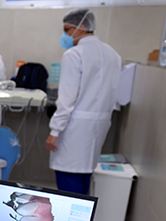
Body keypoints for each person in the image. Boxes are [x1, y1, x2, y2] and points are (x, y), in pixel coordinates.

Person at [45, 8, 121, 195]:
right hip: (100, 125)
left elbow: (67, 99)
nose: (65, 35)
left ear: (81, 27)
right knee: (84, 178)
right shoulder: (113, 55)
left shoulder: (74, 55)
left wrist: (55, 130)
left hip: (74, 127)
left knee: (68, 180)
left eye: (67, 29)